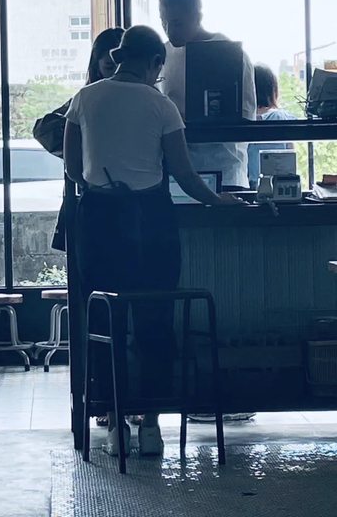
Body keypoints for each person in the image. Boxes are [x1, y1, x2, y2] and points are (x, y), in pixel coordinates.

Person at [64, 25, 243, 457]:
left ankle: (114, 425)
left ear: (119, 57)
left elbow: (71, 167)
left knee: (103, 321)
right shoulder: (161, 105)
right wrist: (217, 200)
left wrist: (102, 184)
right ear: (154, 63)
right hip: (151, 221)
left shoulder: (84, 99)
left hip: (99, 219)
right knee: (155, 321)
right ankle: (150, 425)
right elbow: (184, 174)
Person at [33, 27, 125, 428]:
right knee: (97, 310)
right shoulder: (87, 99)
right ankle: (102, 397)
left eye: (118, 56)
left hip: (106, 212)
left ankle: (119, 399)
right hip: (95, 210)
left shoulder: (130, 98)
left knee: (107, 309)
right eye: (106, 56)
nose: (112, 62)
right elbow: (44, 128)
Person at [33, 27, 125, 252]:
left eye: (122, 67)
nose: (117, 74)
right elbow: (43, 129)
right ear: (97, 66)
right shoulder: (86, 98)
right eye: (110, 67)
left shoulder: (146, 99)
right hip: (95, 196)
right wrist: (80, 142)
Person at [159, 0, 257, 190]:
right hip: (179, 172)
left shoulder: (230, 55)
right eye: (163, 22)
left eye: (177, 23)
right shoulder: (162, 56)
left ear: (198, 18)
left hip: (225, 169)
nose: (169, 31)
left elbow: (247, 116)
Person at [248, 63, 295, 189]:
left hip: (247, 185)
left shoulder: (244, 119)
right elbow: (290, 157)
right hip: (279, 186)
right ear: (272, 89)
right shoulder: (282, 118)